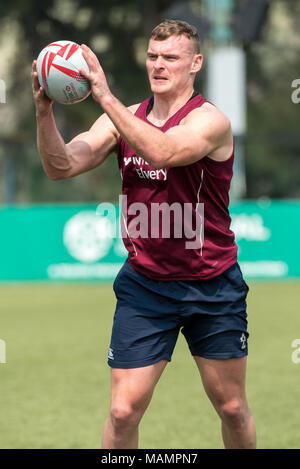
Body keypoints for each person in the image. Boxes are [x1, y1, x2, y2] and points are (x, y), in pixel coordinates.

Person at [32, 19, 256, 449]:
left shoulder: (211, 122)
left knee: (231, 407)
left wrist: (102, 94)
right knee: (121, 411)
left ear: (195, 63)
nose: (159, 64)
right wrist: (44, 112)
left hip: (212, 284)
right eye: (153, 55)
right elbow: (60, 166)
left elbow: (164, 150)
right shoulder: (123, 120)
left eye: (170, 57)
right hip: (146, 286)